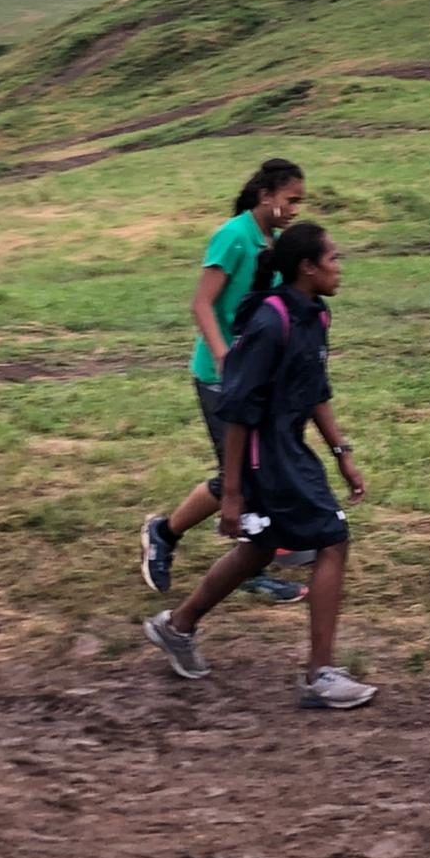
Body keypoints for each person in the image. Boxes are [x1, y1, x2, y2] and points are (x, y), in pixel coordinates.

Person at [143, 222, 376, 710]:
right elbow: (237, 409)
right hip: (263, 455)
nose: (340, 267)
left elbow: (315, 390)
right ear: (307, 268)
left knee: (260, 549)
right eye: (333, 258)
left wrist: (342, 454)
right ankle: (319, 676)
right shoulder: (271, 323)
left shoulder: (316, 314)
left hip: (289, 449)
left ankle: (177, 626)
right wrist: (232, 492)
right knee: (332, 539)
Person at [141, 159, 309, 603]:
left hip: (254, 376)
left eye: (300, 202)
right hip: (221, 378)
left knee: (257, 470)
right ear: (266, 196)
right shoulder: (234, 236)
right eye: (290, 200)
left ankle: (253, 557)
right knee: (237, 475)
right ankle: (165, 534)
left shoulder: (272, 242)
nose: (295, 209)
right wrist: (224, 357)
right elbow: (202, 304)